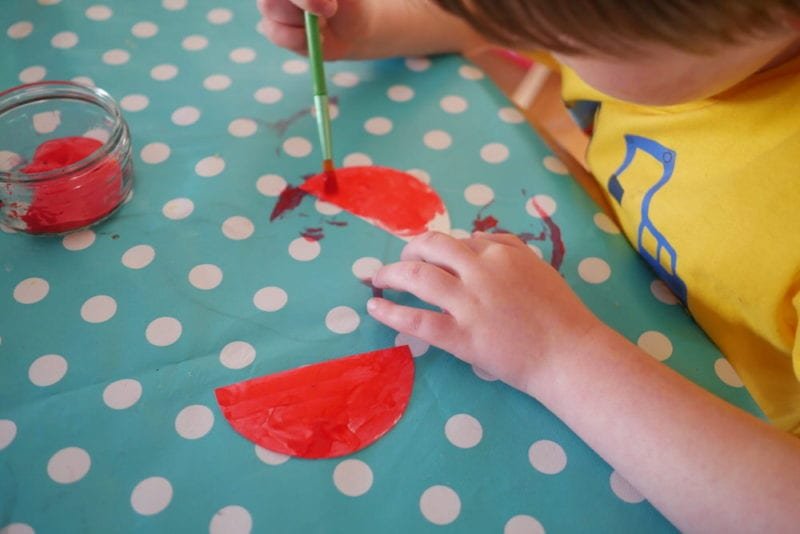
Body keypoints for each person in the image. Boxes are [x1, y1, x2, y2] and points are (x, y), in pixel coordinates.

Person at [259, 0, 800, 529]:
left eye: (570, 40)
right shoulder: (674, 38)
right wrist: (367, 26)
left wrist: (558, 355)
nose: (546, 44)